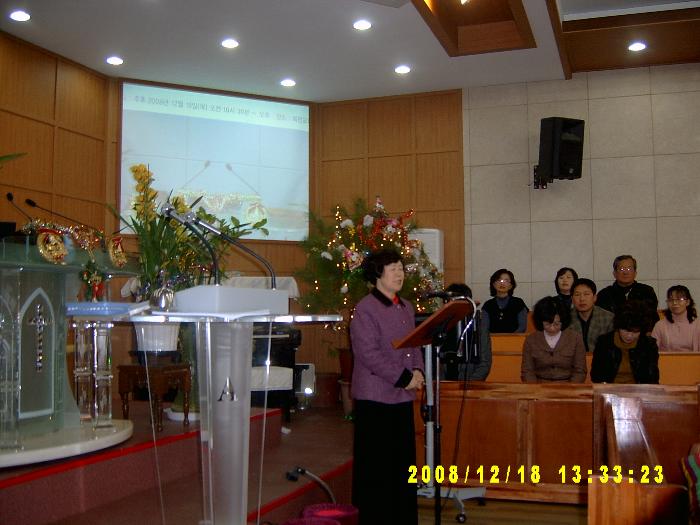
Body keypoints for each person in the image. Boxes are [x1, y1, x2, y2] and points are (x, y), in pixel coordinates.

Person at [350, 248, 424, 525]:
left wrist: (418, 370)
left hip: (401, 395)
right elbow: (368, 354)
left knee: (402, 464)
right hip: (375, 397)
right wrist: (404, 377)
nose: (399, 274)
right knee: (377, 467)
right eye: (393, 269)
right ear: (377, 274)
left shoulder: (406, 306)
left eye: (401, 268)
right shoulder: (365, 308)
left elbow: (414, 343)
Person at [590, 301, 659, 384]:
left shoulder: (649, 345)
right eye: (625, 330)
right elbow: (596, 375)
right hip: (610, 388)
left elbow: (652, 378)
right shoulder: (604, 342)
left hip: (639, 389)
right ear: (618, 327)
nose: (629, 336)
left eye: (635, 332)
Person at [521, 296, 587, 383]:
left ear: (563, 321)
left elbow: (580, 371)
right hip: (539, 386)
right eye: (547, 324)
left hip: (568, 386)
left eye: (556, 324)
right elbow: (527, 371)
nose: (552, 328)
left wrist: (571, 388)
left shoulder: (575, 338)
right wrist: (534, 389)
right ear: (540, 321)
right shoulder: (531, 340)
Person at [440, 283, 492, 381]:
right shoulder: (440, 325)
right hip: (443, 383)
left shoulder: (478, 326)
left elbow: (484, 363)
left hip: (469, 382)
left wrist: (469, 385)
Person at [596, 254, 658, 330]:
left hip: (642, 332)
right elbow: (602, 320)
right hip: (613, 333)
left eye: (629, 269)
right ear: (614, 273)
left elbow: (651, 317)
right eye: (621, 269)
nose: (625, 273)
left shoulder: (647, 291)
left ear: (635, 273)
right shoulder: (604, 294)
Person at [568, 278, 614, 353]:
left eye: (586, 294)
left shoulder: (608, 318)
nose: (582, 299)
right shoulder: (566, 318)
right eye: (577, 295)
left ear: (594, 298)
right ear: (572, 299)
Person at [652, 285, 700, 352]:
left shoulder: (698, 325)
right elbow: (652, 352)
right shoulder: (660, 325)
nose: (674, 303)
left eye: (679, 299)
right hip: (667, 359)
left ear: (688, 302)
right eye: (671, 300)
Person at [481, 269, 528, 333]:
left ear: (511, 286)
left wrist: (510, 337)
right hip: (492, 338)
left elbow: (522, 327)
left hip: (515, 338)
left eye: (506, 280)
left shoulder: (518, 303)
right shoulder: (488, 305)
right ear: (494, 284)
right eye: (499, 280)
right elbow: (484, 328)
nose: (502, 283)